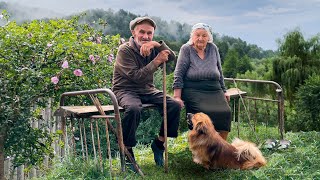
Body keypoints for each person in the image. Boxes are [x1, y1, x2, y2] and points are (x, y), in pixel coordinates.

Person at [112, 16, 181, 167]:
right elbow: (136, 77)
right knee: (134, 108)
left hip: (147, 90)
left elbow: (172, 57)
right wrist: (156, 61)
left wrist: (157, 44)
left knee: (174, 105)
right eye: (141, 32)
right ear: (133, 32)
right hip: (125, 90)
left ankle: (158, 144)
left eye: (149, 33)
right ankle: (128, 152)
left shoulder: (152, 46)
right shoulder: (125, 50)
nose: (145, 36)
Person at [173, 23, 231, 140]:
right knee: (203, 116)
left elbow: (219, 70)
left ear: (208, 37)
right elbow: (178, 74)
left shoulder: (213, 48)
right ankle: (201, 150)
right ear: (192, 36)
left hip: (214, 90)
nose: (200, 38)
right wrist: (177, 97)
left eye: (204, 35)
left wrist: (224, 90)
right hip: (193, 90)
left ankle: (219, 149)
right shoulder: (186, 49)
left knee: (225, 112)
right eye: (197, 35)